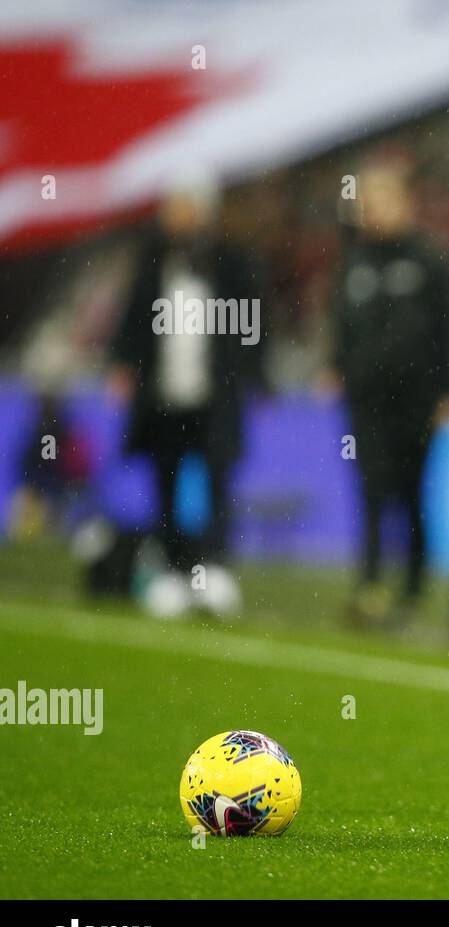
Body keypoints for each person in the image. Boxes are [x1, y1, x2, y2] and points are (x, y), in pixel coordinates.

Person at [106, 173, 265, 614]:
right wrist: (123, 365)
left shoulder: (230, 262)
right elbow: (135, 318)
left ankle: (213, 569)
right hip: (164, 395)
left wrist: (253, 375)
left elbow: (253, 323)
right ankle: (173, 571)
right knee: (165, 481)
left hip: (214, 396)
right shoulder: (154, 260)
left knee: (218, 479)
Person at [327, 154, 449, 628]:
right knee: (370, 491)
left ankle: (412, 592)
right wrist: (334, 368)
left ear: (404, 203)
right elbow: (341, 325)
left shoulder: (429, 260)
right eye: (367, 201)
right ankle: (368, 587)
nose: (373, 209)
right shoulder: (353, 263)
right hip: (366, 399)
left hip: (417, 399)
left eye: (383, 199)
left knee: (412, 493)